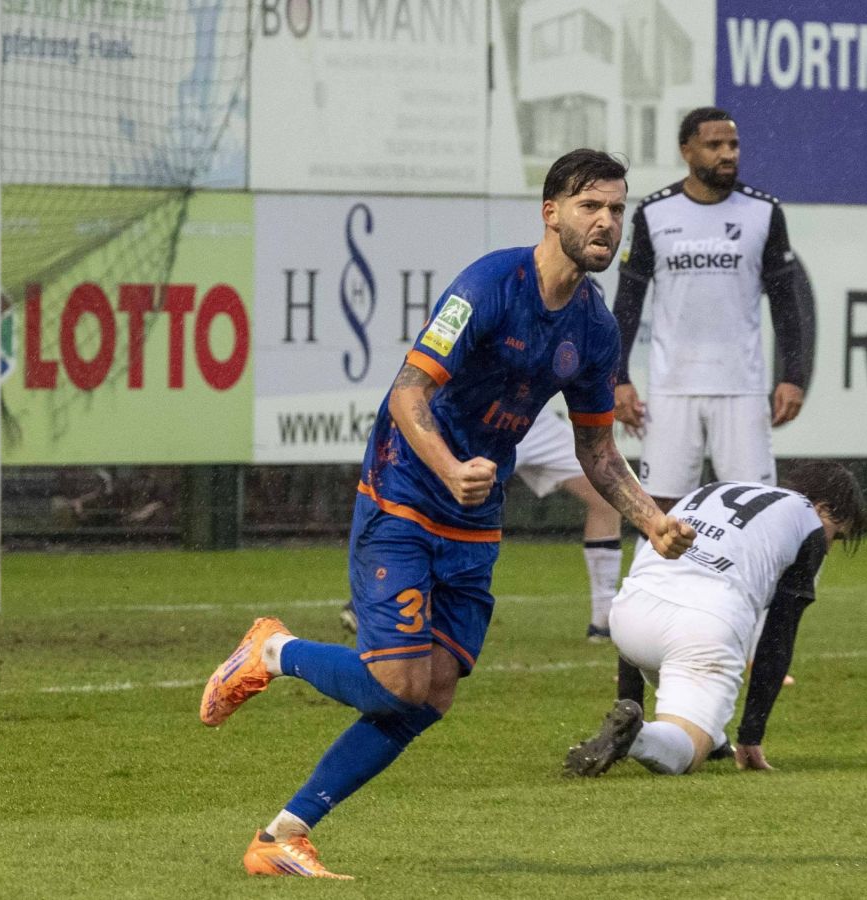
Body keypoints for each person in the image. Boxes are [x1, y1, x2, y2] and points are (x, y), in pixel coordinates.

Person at [198, 149, 696, 879]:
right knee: (396, 682)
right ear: (551, 212)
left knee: (432, 694)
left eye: (617, 209)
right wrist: (451, 466)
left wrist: (651, 519)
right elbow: (407, 393)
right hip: (403, 492)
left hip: (472, 517)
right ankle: (273, 652)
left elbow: (597, 450)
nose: (607, 222)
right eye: (591, 206)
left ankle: (283, 836)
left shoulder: (592, 327)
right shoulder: (491, 284)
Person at [610, 105, 816, 705]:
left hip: (742, 389)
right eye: (715, 145)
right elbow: (629, 300)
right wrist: (619, 377)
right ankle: (639, 649)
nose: (728, 154)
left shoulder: (762, 212)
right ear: (687, 151)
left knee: (763, 524)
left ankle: (750, 649)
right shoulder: (654, 213)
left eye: (734, 143)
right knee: (658, 516)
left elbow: (786, 301)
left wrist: (793, 374)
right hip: (672, 391)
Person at [563, 462, 867, 777]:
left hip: (628, 616)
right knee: (685, 753)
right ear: (823, 508)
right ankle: (639, 737)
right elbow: (778, 637)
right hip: (703, 626)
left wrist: (629, 701)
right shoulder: (809, 525)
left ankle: (712, 739)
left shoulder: (714, 490)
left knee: (685, 686)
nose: (829, 547)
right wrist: (751, 736)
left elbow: (651, 584)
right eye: (838, 535)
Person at [343, 407, 624, 642]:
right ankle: (373, 597)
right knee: (434, 506)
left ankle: (604, 620)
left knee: (609, 493)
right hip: (484, 415)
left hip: (532, 418)